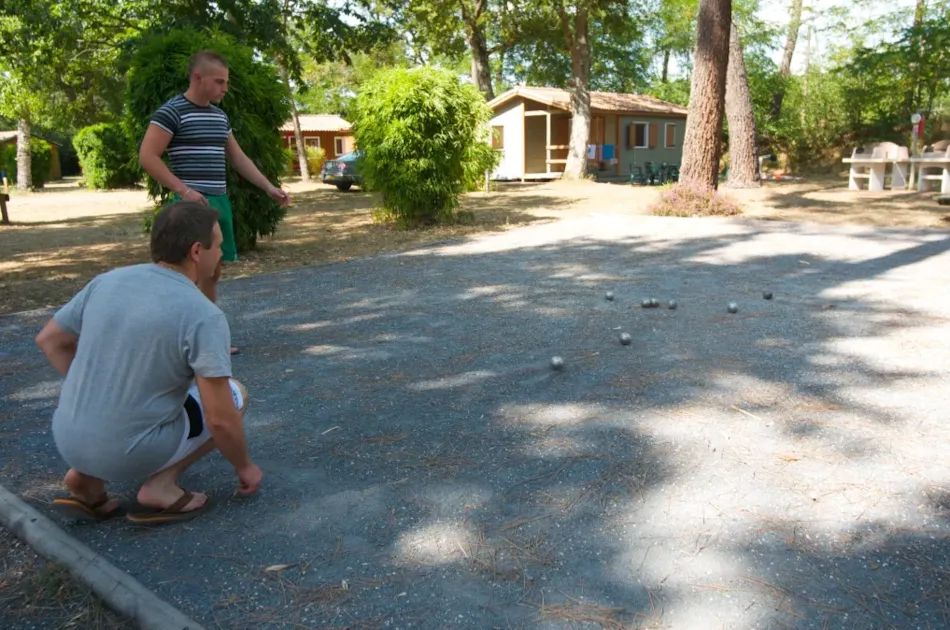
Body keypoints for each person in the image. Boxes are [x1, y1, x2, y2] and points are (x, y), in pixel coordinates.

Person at [35, 201, 263, 524]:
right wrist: (245, 466)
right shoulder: (203, 315)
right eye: (218, 246)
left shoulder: (107, 281)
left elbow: (49, 340)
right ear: (197, 251)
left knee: (125, 408)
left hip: (67, 439)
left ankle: (86, 479)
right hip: (130, 451)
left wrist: (94, 389)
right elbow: (220, 419)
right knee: (235, 394)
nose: (222, 255)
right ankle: (161, 485)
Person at [138, 49, 290, 354]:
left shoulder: (219, 116)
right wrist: (184, 191)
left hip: (218, 202)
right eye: (219, 81)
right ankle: (185, 340)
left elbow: (238, 158)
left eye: (226, 82)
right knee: (190, 274)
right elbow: (147, 156)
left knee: (212, 272)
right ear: (198, 78)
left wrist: (268, 187)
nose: (225, 88)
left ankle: (205, 337)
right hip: (190, 207)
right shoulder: (171, 112)